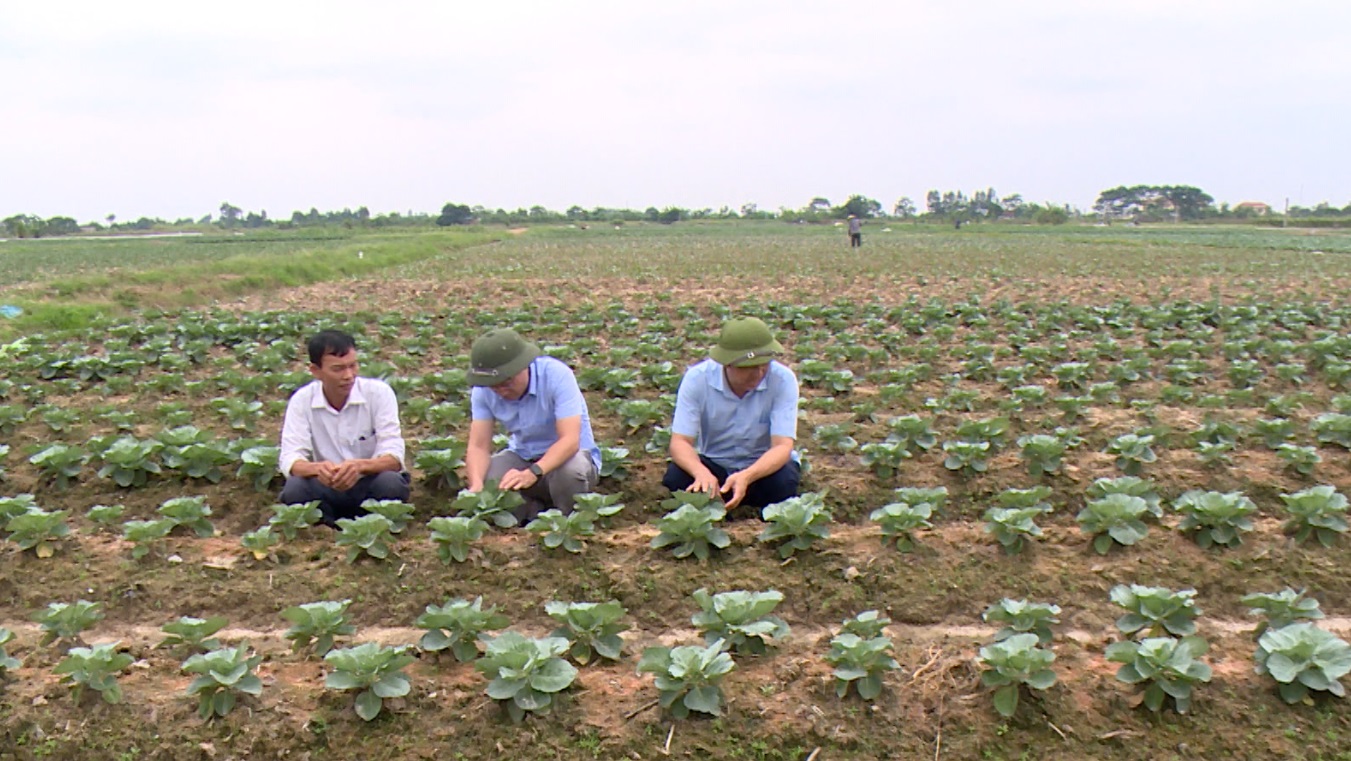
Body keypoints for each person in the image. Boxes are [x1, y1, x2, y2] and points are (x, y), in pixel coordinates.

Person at [662, 316, 801, 514]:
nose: (760, 373)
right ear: (727, 364)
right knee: (676, 478)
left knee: (784, 482)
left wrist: (748, 475)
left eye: (765, 364)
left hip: (761, 467)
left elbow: (782, 446)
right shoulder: (697, 379)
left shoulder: (783, 379)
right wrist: (701, 473)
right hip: (716, 464)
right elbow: (680, 442)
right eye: (750, 367)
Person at [465, 328, 600, 522]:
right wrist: (476, 485)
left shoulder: (557, 376)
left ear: (524, 366)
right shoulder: (483, 391)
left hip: (569, 458)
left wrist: (533, 472)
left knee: (571, 473)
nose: (501, 390)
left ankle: (569, 520)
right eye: (494, 385)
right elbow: (478, 446)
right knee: (491, 479)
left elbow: (570, 440)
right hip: (523, 455)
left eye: (507, 382)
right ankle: (529, 515)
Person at [278, 330, 410, 526]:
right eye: (338, 369)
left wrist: (360, 466)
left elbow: (394, 456)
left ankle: (370, 526)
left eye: (352, 366)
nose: (348, 375)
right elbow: (290, 458)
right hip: (324, 486)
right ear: (315, 370)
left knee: (391, 484)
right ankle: (324, 531)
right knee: (295, 489)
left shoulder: (379, 393)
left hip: (367, 484)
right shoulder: (302, 400)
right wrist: (317, 469)